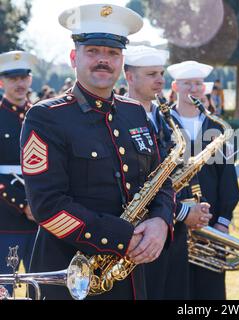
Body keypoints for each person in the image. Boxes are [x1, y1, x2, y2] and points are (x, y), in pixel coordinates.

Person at [20, 4, 175, 300]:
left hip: (129, 276)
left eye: (113, 53)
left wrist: (160, 221)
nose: (103, 60)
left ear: (122, 61)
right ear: (73, 57)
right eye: (93, 51)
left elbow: (161, 180)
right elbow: (47, 205)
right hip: (69, 276)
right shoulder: (46, 117)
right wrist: (122, 237)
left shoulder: (135, 113)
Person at [124, 46, 212, 299]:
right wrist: (185, 212)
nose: (160, 80)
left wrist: (189, 206)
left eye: (161, 73)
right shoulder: (118, 119)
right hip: (141, 235)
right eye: (152, 74)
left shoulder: (165, 118)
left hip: (175, 232)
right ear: (130, 77)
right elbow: (137, 185)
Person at [167, 60, 239, 300]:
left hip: (211, 227)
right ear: (176, 87)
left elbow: (228, 180)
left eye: (198, 84)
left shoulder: (217, 127)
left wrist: (223, 221)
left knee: (211, 292)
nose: (194, 88)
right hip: (172, 225)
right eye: (187, 83)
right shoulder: (162, 123)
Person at [0, 51, 38, 280]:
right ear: (2, 82)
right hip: (7, 218)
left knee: (43, 283)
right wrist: (23, 205)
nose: (20, 84)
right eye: (13, 79)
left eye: (23, 77)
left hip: (42, 216)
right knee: (7, 285)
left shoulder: (41, 115)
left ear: (30, 79)